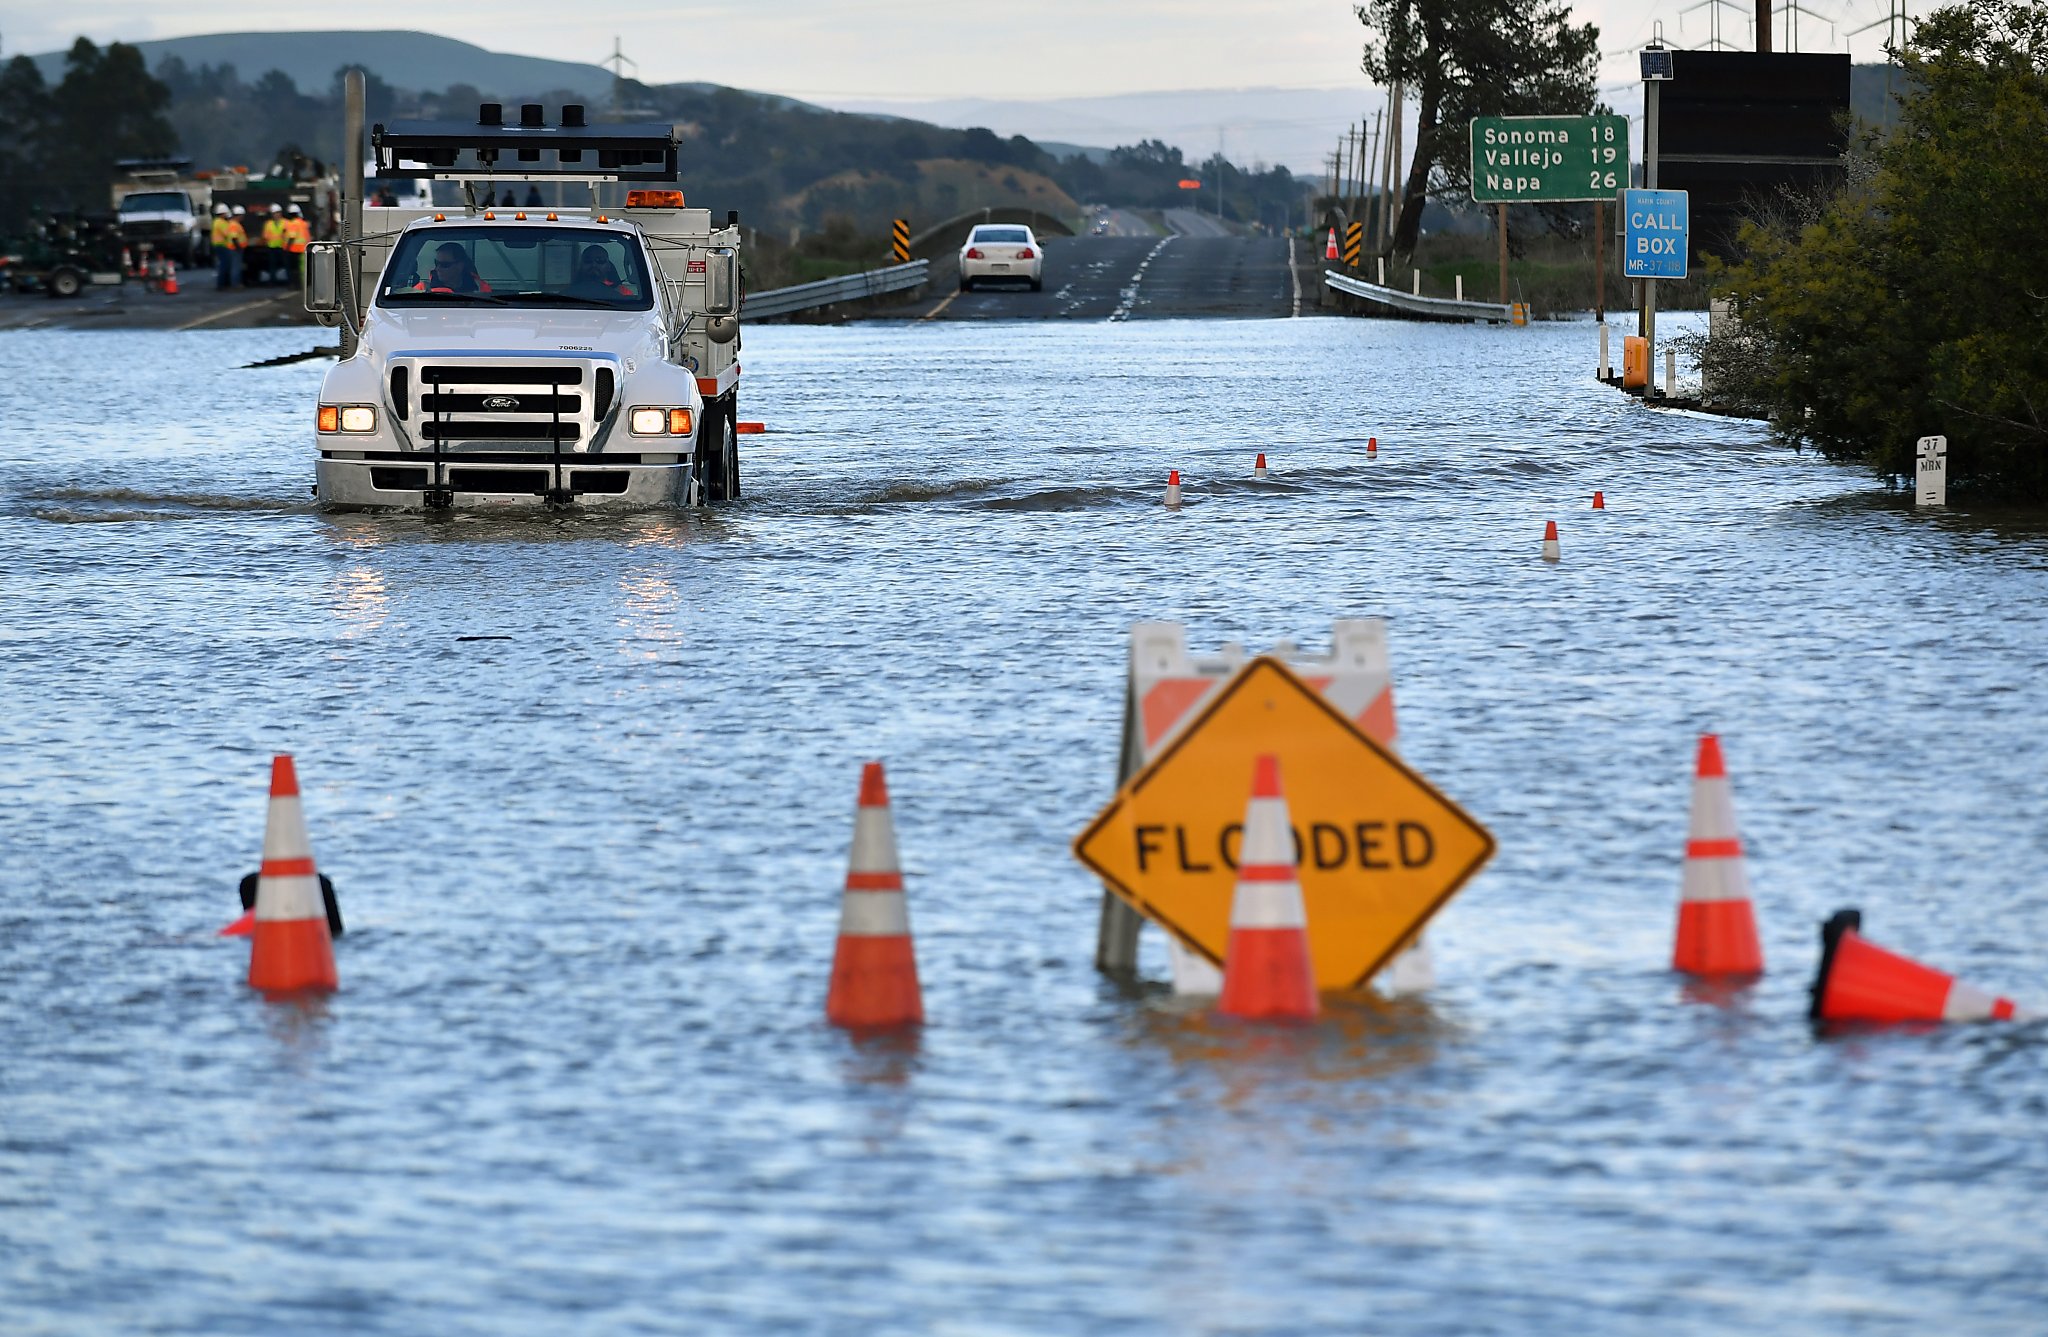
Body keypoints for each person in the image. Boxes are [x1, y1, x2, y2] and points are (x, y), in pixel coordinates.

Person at [412, 241, 490, 294]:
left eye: (444, 265)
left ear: (460, 266)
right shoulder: (422, 289)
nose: (437, 269)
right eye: (436, 263)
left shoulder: (481, 288)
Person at [570, 244, 637, 300]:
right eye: (588, 261)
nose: (594, 265)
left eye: (600, 260)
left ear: (609, 266)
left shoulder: (624, 293)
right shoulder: (567, 294)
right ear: (581, 266)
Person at [210, 204, 244, 290]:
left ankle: (223, 283)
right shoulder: (220, 222)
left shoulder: (217, 221)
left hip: (220, 245)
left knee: (224, 264)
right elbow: (228, 234)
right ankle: (221, 284)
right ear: (222, 213)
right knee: (224, 265)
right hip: (222, 245)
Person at [260, 205, 288, 286]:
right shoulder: (268, 224)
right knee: (272, 265)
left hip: (283, 247)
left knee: (286, 264)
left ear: (280, 213)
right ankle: (272, 281)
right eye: (274, 213)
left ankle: (288, 281)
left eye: (277, 213)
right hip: (272, 247)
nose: (276, 215)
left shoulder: (286, 222)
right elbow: (265, 235)